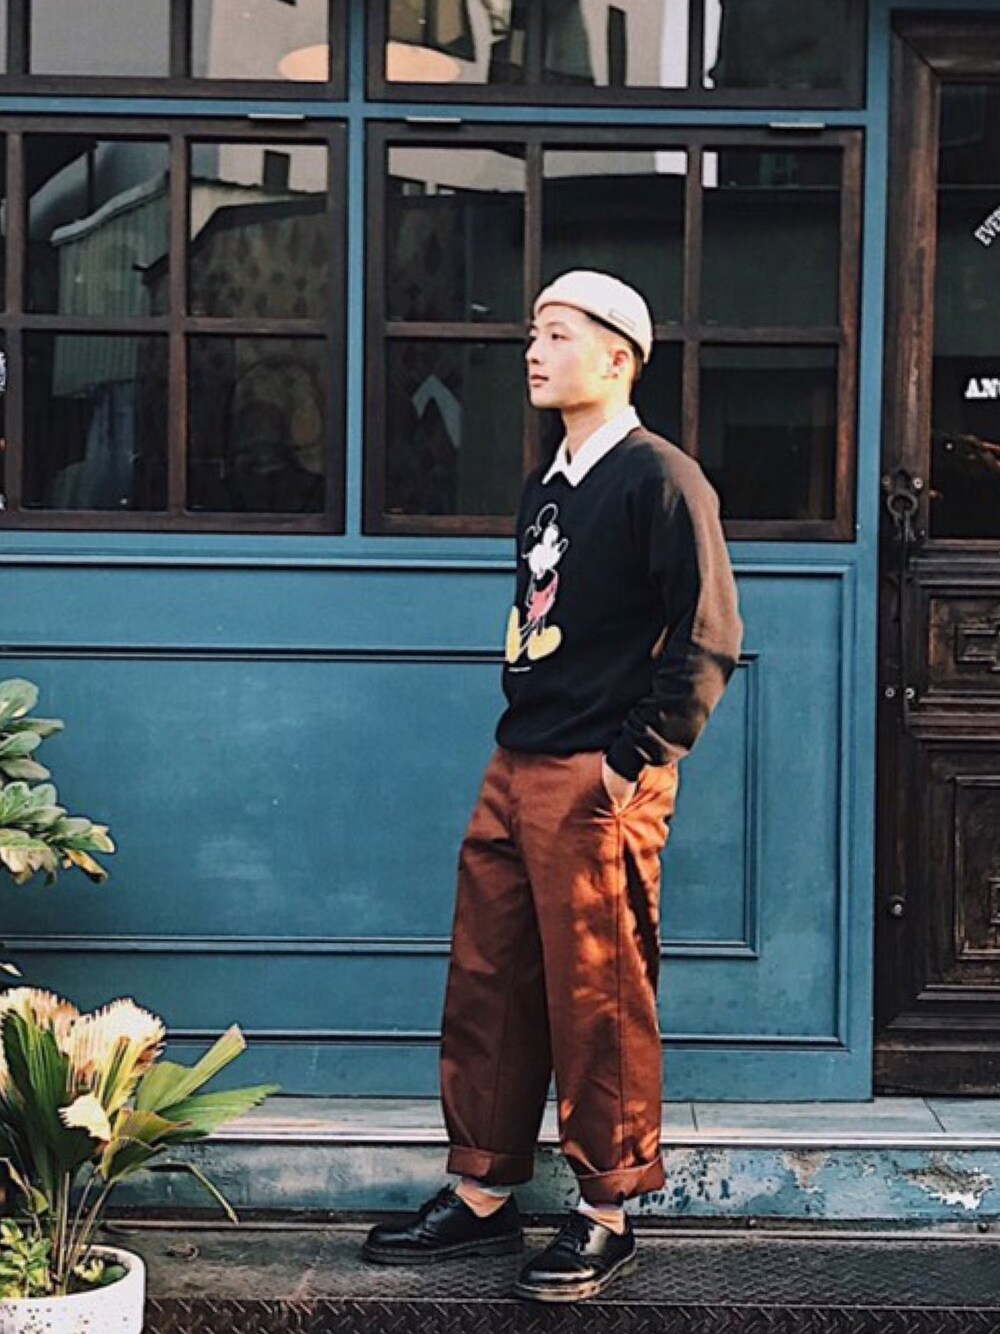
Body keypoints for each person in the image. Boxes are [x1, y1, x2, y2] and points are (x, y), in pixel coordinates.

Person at [363, 270, 743, 1303]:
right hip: (518, 756)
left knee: (598, 994)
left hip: (596, 772)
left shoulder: (662, 479)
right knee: (487, 978)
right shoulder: (550, 482)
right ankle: (483, 1189)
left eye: (557, 333)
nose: (533, 350)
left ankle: (607, 1211)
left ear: (618, 357)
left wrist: (633, 758)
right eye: (533, 331)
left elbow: (709, 635)